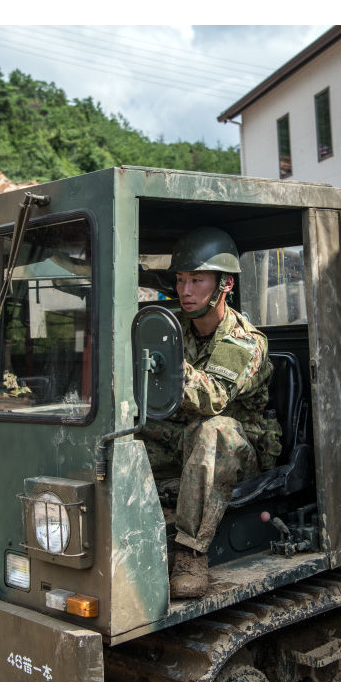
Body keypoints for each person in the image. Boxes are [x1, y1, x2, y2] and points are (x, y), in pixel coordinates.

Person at [140, 227, 283, 599]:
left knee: (213, 430)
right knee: (127, 430)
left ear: (224, 285)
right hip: (182, 437)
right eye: (181, 280)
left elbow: (212, 397)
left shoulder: (244, 341)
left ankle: (190, 552)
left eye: (197, 281)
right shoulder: (173, 325)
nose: (185, 291)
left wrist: (160, 363)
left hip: (238, 448)